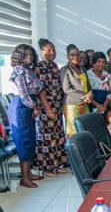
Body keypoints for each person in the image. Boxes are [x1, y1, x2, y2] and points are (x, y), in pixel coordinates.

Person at [8, 44, 55, 188]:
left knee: (29, 140)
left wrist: (36, 106)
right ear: (19, 56)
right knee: (23, 141)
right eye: (25, 55)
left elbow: (38, 88)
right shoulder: (19, 71)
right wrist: (35, 106)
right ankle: (24, 178)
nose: (29, 57)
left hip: (28, 107)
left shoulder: (28, 70)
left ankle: (28, 173)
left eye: (30, 55)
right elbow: (23, 94)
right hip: (20, 108)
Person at [34, 39, 68, 177]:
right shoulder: (38, 66)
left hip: (57, 106)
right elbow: (40, 90)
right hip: (46, 108)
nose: (52, 52)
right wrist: (48, 108)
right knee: (46, 138)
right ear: (42, 51)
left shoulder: (54, 66)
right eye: (49, 50)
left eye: (53, 49)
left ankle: (57, 164)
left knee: (58, 136)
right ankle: (47, 167)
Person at [60, 44, 92, 138]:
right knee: (73, 131)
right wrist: (85, 95)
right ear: (67, 56)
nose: (75, 57)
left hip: (85, 103)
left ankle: (85, 151)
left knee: (84, 128)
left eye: (77, 54)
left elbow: (88, 85)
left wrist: (90, 93)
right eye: (72, 55)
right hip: (72, 105)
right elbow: (66, 89)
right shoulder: (65, 70)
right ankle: (74, 152)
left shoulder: (83, 69)